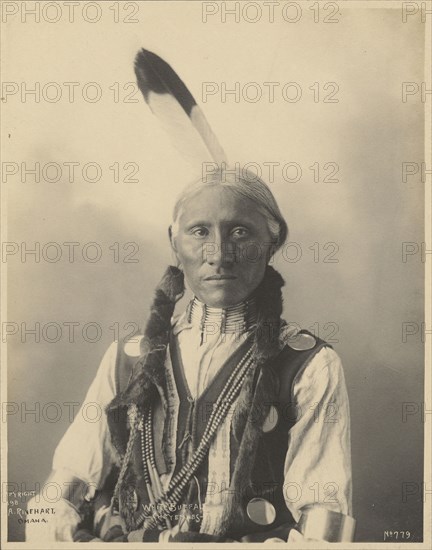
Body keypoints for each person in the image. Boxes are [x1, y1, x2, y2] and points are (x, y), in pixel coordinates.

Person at [26, 168, 353, 543]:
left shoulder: (309, 365)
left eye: (240, 232)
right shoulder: (127, 359)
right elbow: (59, 494)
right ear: (174, 243)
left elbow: (325, 527)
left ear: (272, 242)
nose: (219, 255)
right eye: (199, 232)